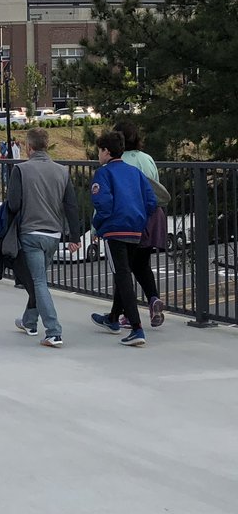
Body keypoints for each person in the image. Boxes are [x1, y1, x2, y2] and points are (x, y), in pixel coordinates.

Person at [5, 128, 81, 348]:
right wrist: (74, 236)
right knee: (39, 281)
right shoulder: (62, 171)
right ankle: (29, 321)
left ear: (28, 148)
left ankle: (54, 331)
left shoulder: (21, 170)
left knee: (38, 282)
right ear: (46, 145)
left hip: (31, 233)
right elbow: (71, 205)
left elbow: (13, 204)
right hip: (54, 235)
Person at [89, 130, 158, 347]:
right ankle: (112, 319)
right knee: (124, 273)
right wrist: (139, 219)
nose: (98, 155)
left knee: (122, 275)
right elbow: (151, 201)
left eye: (99, 151)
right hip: (135, 228)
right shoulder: (134, 172)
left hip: (114, 229)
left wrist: (98, 226)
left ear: (106, 152)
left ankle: (136, 328)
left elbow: (103, 204)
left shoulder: (103, 173)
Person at [115, 119, 168, 330]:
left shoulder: (119, 162)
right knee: (141, 263)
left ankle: (127, 314)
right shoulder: (147, 159)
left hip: (130, 218)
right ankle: (153, 299)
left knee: (124, 267)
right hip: (153, 215)